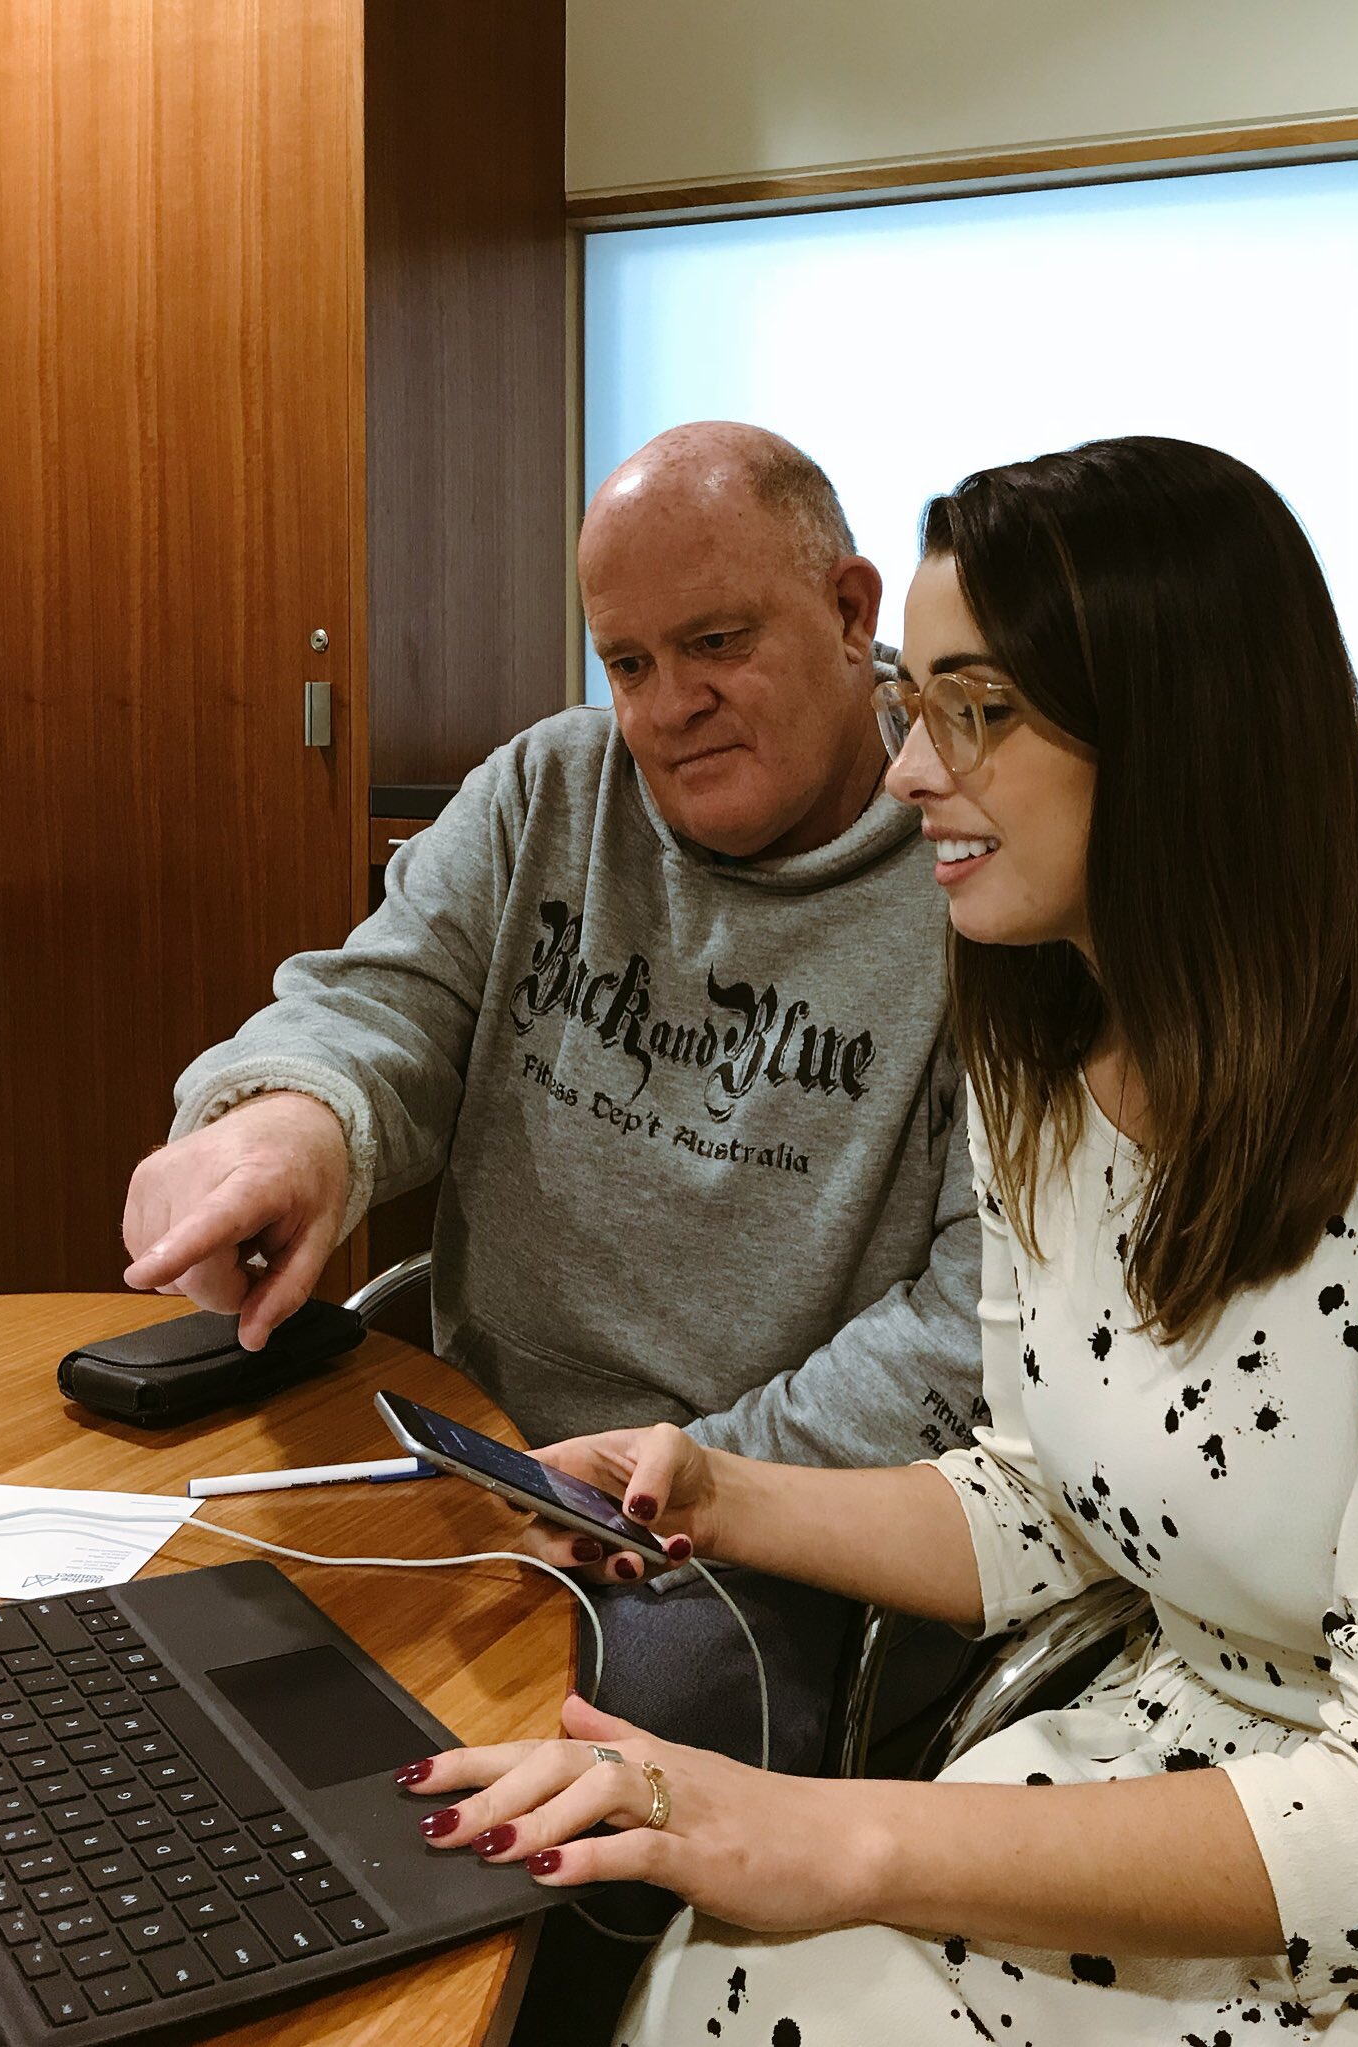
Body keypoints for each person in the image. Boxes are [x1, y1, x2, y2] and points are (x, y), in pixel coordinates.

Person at [399, 436, 1358, 2045]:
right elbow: (1054, 1493)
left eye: (976, 715)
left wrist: (833, 1836)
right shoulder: (1051, 1056)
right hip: (1147, 1756)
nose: (909, 773)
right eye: (921, 704)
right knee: (706, 1988)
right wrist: (715, 1487)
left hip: (1355, 1877)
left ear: (1183, 737)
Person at [121, 421, 983, 1776]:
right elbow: (375, 1003)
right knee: (180, 1655)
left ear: (850, 606)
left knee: (478, 1758)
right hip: (476, 1456)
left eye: (716, 645)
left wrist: (686, 1480)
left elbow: (969, 1327)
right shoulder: (552, 787)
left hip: (770, 1531)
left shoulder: (975, 861)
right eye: (628, 663)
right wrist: (291, 1120)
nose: (665, 707)